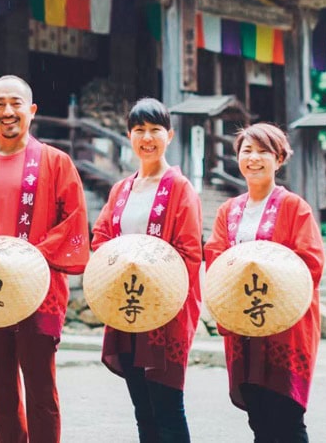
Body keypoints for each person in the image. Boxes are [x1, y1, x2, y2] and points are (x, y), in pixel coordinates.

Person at [0, 75, 89, 443]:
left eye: (16, 104)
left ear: (32, 110)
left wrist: (23, 261)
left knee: (41, 389)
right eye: (0, 104)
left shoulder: (57, 163)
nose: (8, 112)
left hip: (37, 291)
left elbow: (72, 222)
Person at [204, 123, 325, 442]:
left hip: (285, 327)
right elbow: (215, 257)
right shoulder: (228, 211)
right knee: (259, 418)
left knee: (287, 417)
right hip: (243, 326)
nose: (254, 158)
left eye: (263, 151)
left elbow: (310, 261)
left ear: (279, 159)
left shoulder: (294, 207)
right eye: (247, 151)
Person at [91, 98, 202, 442]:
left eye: (155, 129)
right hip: (127, 307)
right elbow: (101, 237)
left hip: (164, 312)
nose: (147, 137)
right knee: (143, 410)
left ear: (169, 135)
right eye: (139, 130)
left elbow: (189, 251)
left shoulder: (180, 188)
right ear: (129, 136)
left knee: (168, 408)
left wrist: (150, 271)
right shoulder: (121, 190)